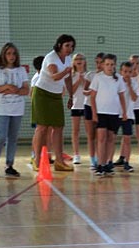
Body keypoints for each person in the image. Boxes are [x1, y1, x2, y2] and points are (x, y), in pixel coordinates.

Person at [32, 34, 75, 172]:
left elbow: (68, 80)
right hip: (42, 94)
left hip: (56, 96)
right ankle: (37, 160)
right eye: (67, 45)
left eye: (72, 46)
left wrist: (71, 96)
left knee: (59, 127)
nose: (70, 48)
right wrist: (66, 71)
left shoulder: (68, 59)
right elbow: (55, 76)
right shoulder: (51, 57)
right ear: (59, 45)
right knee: (42, 127)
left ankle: (59, 161)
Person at [0, 42, 29, 178]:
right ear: (4, 55)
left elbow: (26, 89)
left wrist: (16, 90)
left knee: (13, 138)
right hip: (1, 108)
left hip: (17, 108)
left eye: (14, 53)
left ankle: (9, 165)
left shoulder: (21, 70)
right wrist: (6, 87)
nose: (11, 56)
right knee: (0, 136)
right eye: (8, 53)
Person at [89, 54, 127, 176]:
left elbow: (121, 96)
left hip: (114, 113)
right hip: (101, 113)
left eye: (112, 64)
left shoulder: (119, 79)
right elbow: (92, 96)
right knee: (101, 138)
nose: (109, 67)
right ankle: (100, 164)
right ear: (103, 65)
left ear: (115, 65)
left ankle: (107, 163)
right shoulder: (98, 78)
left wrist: (124, 112)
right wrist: (94, 113)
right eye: (107, 64)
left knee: (111, 139)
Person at [115, 61, 138, 172]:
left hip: (128, 115)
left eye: (129, 72)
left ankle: (127, 162)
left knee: (127, 139)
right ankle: (109, 162)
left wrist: (129, 85)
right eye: (125, 71)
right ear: (121, 72)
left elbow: (134, 98)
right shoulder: (116, 81)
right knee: (111, 139)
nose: (127, 74)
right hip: (115, 114)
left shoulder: (134, 83)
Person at [83, 52, 104, 170]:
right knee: (91, 135)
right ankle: (93, 160)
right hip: (89, 106)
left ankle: (101, 159)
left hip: (102, 107)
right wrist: (92, 91)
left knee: (100, 135)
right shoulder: (90, 75)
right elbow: (85, 91)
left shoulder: (108, 76)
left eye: (101, 62)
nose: (98, 64)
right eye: (97, 62)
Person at [70, 53, 87, 165]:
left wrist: (84, 80)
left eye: (81, 59)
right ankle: (76, 154)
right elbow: (70, 90)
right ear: (74, 62)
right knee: (75, 131)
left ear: (85, 61)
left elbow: (90, 89)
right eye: (77, 59)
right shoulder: (71, 75)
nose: (79, 61)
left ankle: (93, 155)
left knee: (90, 132)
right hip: (76, 105)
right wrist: (78, 80)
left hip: (87, 105)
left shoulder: (89, 74)